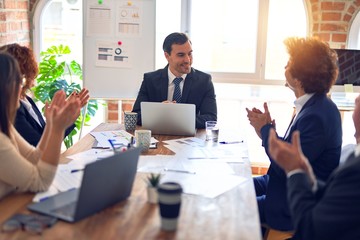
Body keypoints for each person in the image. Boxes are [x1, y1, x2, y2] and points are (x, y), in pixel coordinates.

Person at [246, 37, 342, 233]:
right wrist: (265, 129)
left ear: (298, 78)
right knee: (236, 187)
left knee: (233, 205)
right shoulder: (311, 105)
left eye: (289, 64)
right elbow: (292, 151)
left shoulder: (317, 115)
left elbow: (286, 166)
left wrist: (266, 131)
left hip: (290, 203)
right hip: (278, 184)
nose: (284, 66)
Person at [267, 95, 360, 240]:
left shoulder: (356, 170)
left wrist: (295, 171)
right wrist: (307, 176)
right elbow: (335, 196)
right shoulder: (354, 156)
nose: (357, 100)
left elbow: (309, 229)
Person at [0, 52, 81, 199]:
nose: (22, 88)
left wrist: (51, 124)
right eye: (19, 81)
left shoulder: (5, 126)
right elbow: (40, 182)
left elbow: (34, 156)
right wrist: (57, 129)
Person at [0, 43, 90, 146]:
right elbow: (40, 147)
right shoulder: (13, 110)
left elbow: (45, 137)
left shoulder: (26, 99)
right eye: (24, 77)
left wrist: (62, 115)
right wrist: (61, 118)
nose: (32, 81)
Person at [132, 32, 217, 129]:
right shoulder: (150, 80)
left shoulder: (204, 81)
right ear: (167, 56)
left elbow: (211, 119)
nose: (187, 60)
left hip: (190, 140)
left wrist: (176, 118)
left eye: (190, 53)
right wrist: (159, 111)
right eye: (181, 55)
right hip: (158, 138)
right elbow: (135, 116)